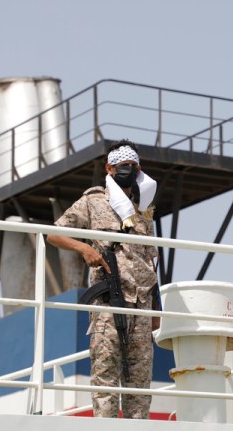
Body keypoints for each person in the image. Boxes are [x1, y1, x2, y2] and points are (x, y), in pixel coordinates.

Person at [47, 139, 159, 419]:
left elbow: (151, 261)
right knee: (105, 374)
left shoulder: (144, 211)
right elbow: (53, 233)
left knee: (140, 383)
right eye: (123, 166)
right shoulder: (94, 201)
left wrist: (157, 308)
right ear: (109, 168)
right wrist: (84, 248)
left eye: (133, 166)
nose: (129, 170)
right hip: (109, 302)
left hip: (142, 306)